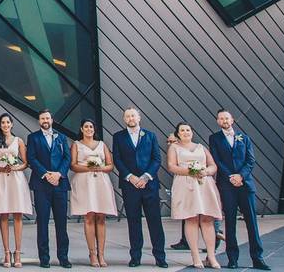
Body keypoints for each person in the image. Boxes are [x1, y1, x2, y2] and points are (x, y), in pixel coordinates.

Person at [208, 109, 269, 270]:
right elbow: (217, 160)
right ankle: (232, 258)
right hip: (227, 185)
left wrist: (240, 176)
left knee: (251, 222)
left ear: (232, 120)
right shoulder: (214, 139)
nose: (224, 121)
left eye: (226, 118)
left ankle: (258, 258)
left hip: (245, 185)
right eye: (221, 119)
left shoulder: (245, 138)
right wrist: (231, 177)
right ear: (217, 121)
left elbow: (250, 160)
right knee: (230, 223)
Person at [111, 108, 167, 268]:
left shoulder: (150, 135)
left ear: (139, 117)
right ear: (124, 119)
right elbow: (118, 159)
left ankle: (160, 256)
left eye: (133, 115)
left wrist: (145, 177)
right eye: (127, 116)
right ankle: (135, 256)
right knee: (133, 222)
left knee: (155, 222)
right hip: (130, 185)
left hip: (149, 184)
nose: (131, 118)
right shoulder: (118, 136)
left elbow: (156, 159)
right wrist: (131, 177)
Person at [168, 123, 223, 269]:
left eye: (188, 130)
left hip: (203, 184)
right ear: (178, 134)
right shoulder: (174, 147)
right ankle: (195, 255)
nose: (185, 132)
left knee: (207, 219)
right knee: (191, 218)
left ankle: (211, 256)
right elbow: (172, 166)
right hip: (185, 184)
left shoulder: (201, 147)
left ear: (192, 132)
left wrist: (206, 171)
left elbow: (213, 165)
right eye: (182, 130)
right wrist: (190, 171)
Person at [26, 109, 71, 269]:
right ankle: (44, 258)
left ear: (52, 120)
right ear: (39, 121)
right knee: (42, 222)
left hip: (60, 184)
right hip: (41, 185)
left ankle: (63, 257)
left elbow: (67, 157)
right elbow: (31, 158)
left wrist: (59, 174)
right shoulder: (33, 137)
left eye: (48, 118)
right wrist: (46, 174)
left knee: (61, 223)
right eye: (42, 118)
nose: (45, 120)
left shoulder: (61, 137)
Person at [69, 118, 117, 268]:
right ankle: (92, 253)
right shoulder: (76, 145)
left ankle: (102, 254)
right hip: (84, 181)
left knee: (101, 217)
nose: (89, 129)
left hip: (101, 181)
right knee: (89, 216)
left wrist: (99, 167)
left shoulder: (102, 145)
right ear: (81, 129)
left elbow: (110, 165)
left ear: (94, 129)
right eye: (86, 127)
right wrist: (89, 168)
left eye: (91, 126)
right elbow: (73, 165)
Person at [0, 113, 31, 268]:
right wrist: (0, 168)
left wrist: (15, 167)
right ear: (0, 125)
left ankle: (18, 251)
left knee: (18, 214)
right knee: (4, 214)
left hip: (16, 179)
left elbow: (26, 163)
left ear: (12, 124)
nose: (5, 125)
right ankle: (6, 251)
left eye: (8, 122)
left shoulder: (18, 141)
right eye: (3, 123)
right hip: (1, 178)